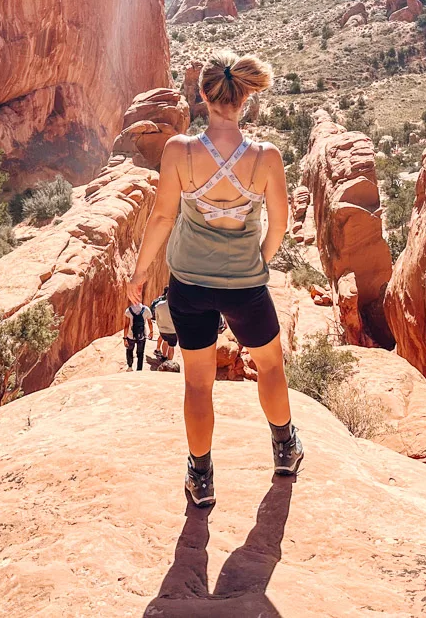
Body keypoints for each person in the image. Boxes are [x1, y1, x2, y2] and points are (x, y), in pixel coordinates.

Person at [129, 50, 303, 508]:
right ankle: (285, 448)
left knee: (198, 383)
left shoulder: (180, 151)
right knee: (269, 365)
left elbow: (164, 216)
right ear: (245, 98)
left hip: (190, 285)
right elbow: (280, 225)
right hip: (245, 284)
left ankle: (201, 476)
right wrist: (257, 263)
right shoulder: (266, 158)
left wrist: (140, 271)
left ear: (203, 94)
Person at [123, 300, 154, 371]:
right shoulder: (146, 309)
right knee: (140, 353)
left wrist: (125, 338)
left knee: (129, 350)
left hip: (130, 336)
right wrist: (151, 332)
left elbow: (126, 326)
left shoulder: (128, 310)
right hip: (142, 336)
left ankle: (130, 367)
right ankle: (139, 369)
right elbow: (150, 323)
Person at [151, 288, 179, 364]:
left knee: (165, 342)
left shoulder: (159, 305)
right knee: (171, 346)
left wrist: (159, 326)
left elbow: (156, 317)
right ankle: (169, 362)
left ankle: (163, 356)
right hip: (173, 330)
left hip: (162, 330)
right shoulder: (177, 307)